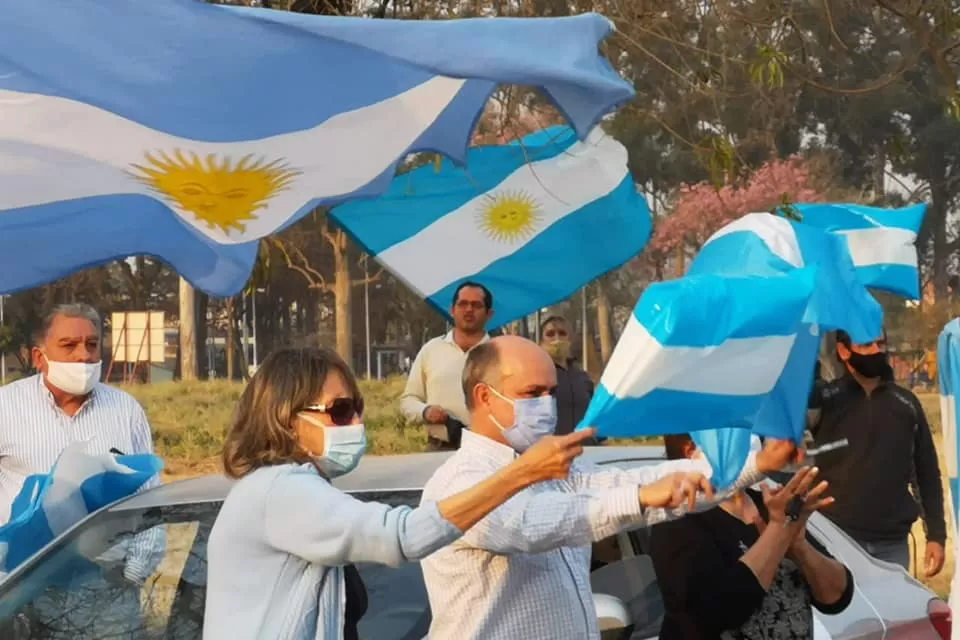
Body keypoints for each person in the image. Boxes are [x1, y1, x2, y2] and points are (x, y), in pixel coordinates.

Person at [420, 335, 800, 639]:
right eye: (532, 393)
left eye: (551, 393)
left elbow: (640, 481)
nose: (546, 406)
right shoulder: (459, 482)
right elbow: (532, 525)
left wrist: (756, 465)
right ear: (485, 396)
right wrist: (637, 499)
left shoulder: (559, 471)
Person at [203, 346, 596, 640]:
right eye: (340, 410)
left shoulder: (288, 493)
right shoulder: (279, 489)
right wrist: (519, 474)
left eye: (357, 407)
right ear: (286, 419)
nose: (356, 422)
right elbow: (400, 536)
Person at [0, 304, 160, 579]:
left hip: (108, 584)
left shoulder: (125, 410)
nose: (83, 356)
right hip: (19, 583)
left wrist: (131, 575)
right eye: (69, 345)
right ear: (40, 357)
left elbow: (149, 501)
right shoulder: (6, 408)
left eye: (92, 344)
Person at [650, 434, 854, 639]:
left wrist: (800, 547)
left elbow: (836, 597)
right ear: (691, 450)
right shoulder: (677, 520)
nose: (749, 438)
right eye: (732, 433)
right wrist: (778, 532)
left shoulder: (769, 504)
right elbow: (714, 612)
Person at [808, 330, 946, 575]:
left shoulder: (907, 404)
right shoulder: (823, 401)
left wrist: (936, 535)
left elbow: (927, 473)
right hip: (833, 539)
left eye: (880, 343)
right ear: (843, 350)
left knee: (894, 613)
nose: (876, 350)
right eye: (866, 344)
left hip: (892, 545)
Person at [401, 281, 493, 450]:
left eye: (476, 305)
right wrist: (426, 412)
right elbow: (408, 400)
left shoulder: (500, 353)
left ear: (489, 314)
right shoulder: (432, 350)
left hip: (489, 448)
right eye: (463, 304)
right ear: (452, 310)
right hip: (440, 448)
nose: (469, 310)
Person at [538, 315, 594, 436]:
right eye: (550, 334)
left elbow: (593, 414)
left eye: (562, 333)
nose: (556, 338)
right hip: (553, 449)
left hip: (586, 448)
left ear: (570, 339)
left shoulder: (582, 376)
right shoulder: (536, 374)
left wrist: (600, 440)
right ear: (541, 340)